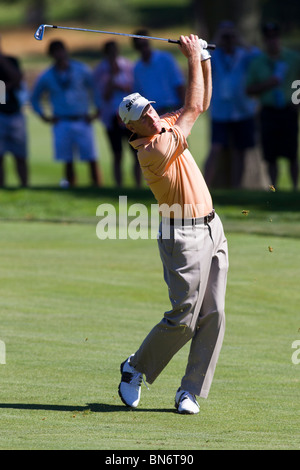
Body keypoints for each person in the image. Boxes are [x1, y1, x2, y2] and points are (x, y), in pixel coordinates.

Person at [117, 35, 229, 414]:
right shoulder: (153, 150)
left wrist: (206, 59)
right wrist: (193, 56)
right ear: (133, 130)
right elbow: (194, 106)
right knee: (184, 316)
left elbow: (200, 103)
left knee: (213, 313)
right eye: (142, 117)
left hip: (213, 229)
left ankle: (189, 391)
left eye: (149, 109)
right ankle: (134, 369)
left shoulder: (162, 127)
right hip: (182, 234)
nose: (151, 115)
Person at [31, 40, 102, 187]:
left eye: (61, 50)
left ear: (66, 50)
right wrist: (43, 115)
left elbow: (95, 89)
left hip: (82, 119)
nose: (59, 54)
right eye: (55, 51)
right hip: (61, 121)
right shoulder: (47, 75)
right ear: (51, 54)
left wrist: (97, 110)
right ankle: (72, 188)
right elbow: (34, 98)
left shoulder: (81, 69)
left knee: (91, 157)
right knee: (67, 160)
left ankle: (97, 187)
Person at [204, 21, 260, 188]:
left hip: (242, 109)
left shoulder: (244, 55)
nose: (228, 39)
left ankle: (237, 187)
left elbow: (258, 55)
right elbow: (201, 55)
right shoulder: (214, 55)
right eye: (225, 36)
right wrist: (216, 41)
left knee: (240, 151)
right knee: (215, 149)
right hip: (220, 111)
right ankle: (204, 186)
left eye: (230, 36)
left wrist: (239, 40)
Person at [246, 22, 300, 190]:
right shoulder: (258, 62)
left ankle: (294, 188)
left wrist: (296, 100)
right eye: (269, 38)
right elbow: (250, 89)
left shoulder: (293, 58)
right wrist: (268, 84)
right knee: (271, 155)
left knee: (291, 153)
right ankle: (274, 188)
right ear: (264, 40)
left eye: (275, 37)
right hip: (268, 111)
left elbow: (298, 81)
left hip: (288, 110)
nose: (272, 41)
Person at [94, 41, 140, 187]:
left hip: (129, 115)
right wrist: (111, 80)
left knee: (136, 153)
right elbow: (103, 95)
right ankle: (119, 185)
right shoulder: (101, 70)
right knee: (117, 154)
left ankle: (138, 185)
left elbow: (133, 88)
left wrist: (119, 85)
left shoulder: (127, 66)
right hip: (111, 116)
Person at [132, 29, 185, 115]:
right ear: (136, 48)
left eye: (145, 44)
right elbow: (139, 94)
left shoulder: (165, 58)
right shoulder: (137, 68)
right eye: (140, 46)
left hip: (173, 109)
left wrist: (183, 108)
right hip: (153, 114)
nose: (143, 48)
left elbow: (179, 83)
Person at [0, 36, 28, 187]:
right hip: (0, 114)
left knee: (21, 156)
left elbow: (17, 78)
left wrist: (2, 60)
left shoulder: (11, 60)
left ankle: (24, 186)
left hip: (15, 113)